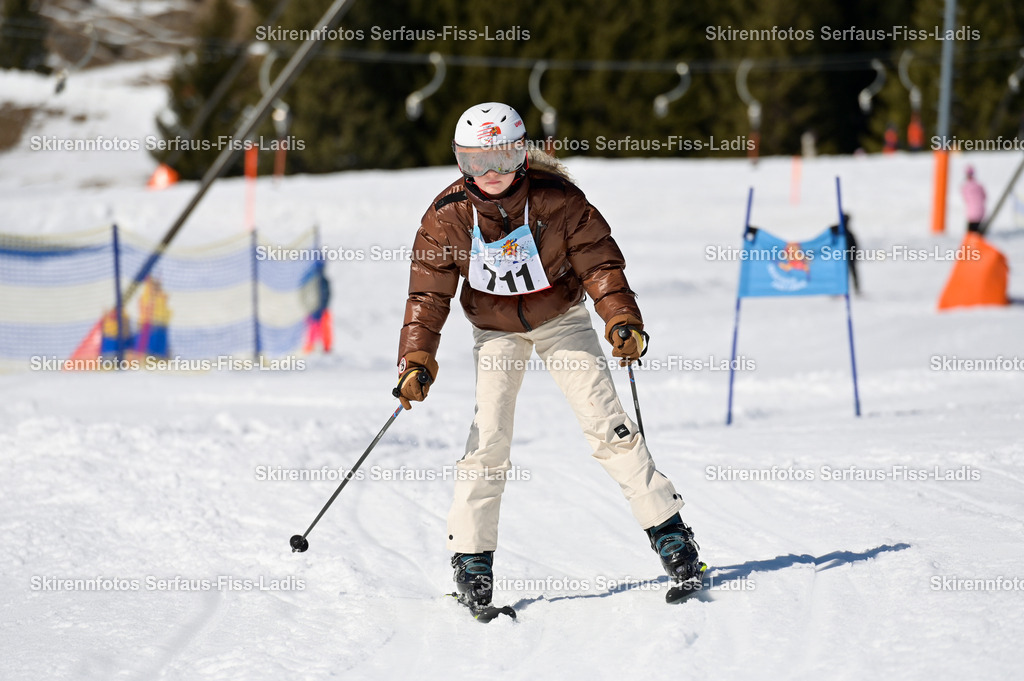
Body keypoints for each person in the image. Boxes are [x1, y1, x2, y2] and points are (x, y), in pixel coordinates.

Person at [394, 102, 704, 608]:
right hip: (495, 332)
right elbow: (427, 296)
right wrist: (416, 359)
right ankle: (471, 558)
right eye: (475, 163)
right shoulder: (446, 216)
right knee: (487, 440)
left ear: (522, 156)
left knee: (607, 424)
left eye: (500, 159)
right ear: (459, 163)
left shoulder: (558, 201)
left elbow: (598, 260)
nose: (489, 174)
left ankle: (669, 531)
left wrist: (621, 319)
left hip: (560, 321)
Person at [961, 165, 986, 234]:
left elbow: (965, 198)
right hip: (980, 212)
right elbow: (984, 196)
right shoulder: (979, 185)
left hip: (971, 213)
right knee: (978, 232)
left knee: (971, 233)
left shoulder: (966, 186)